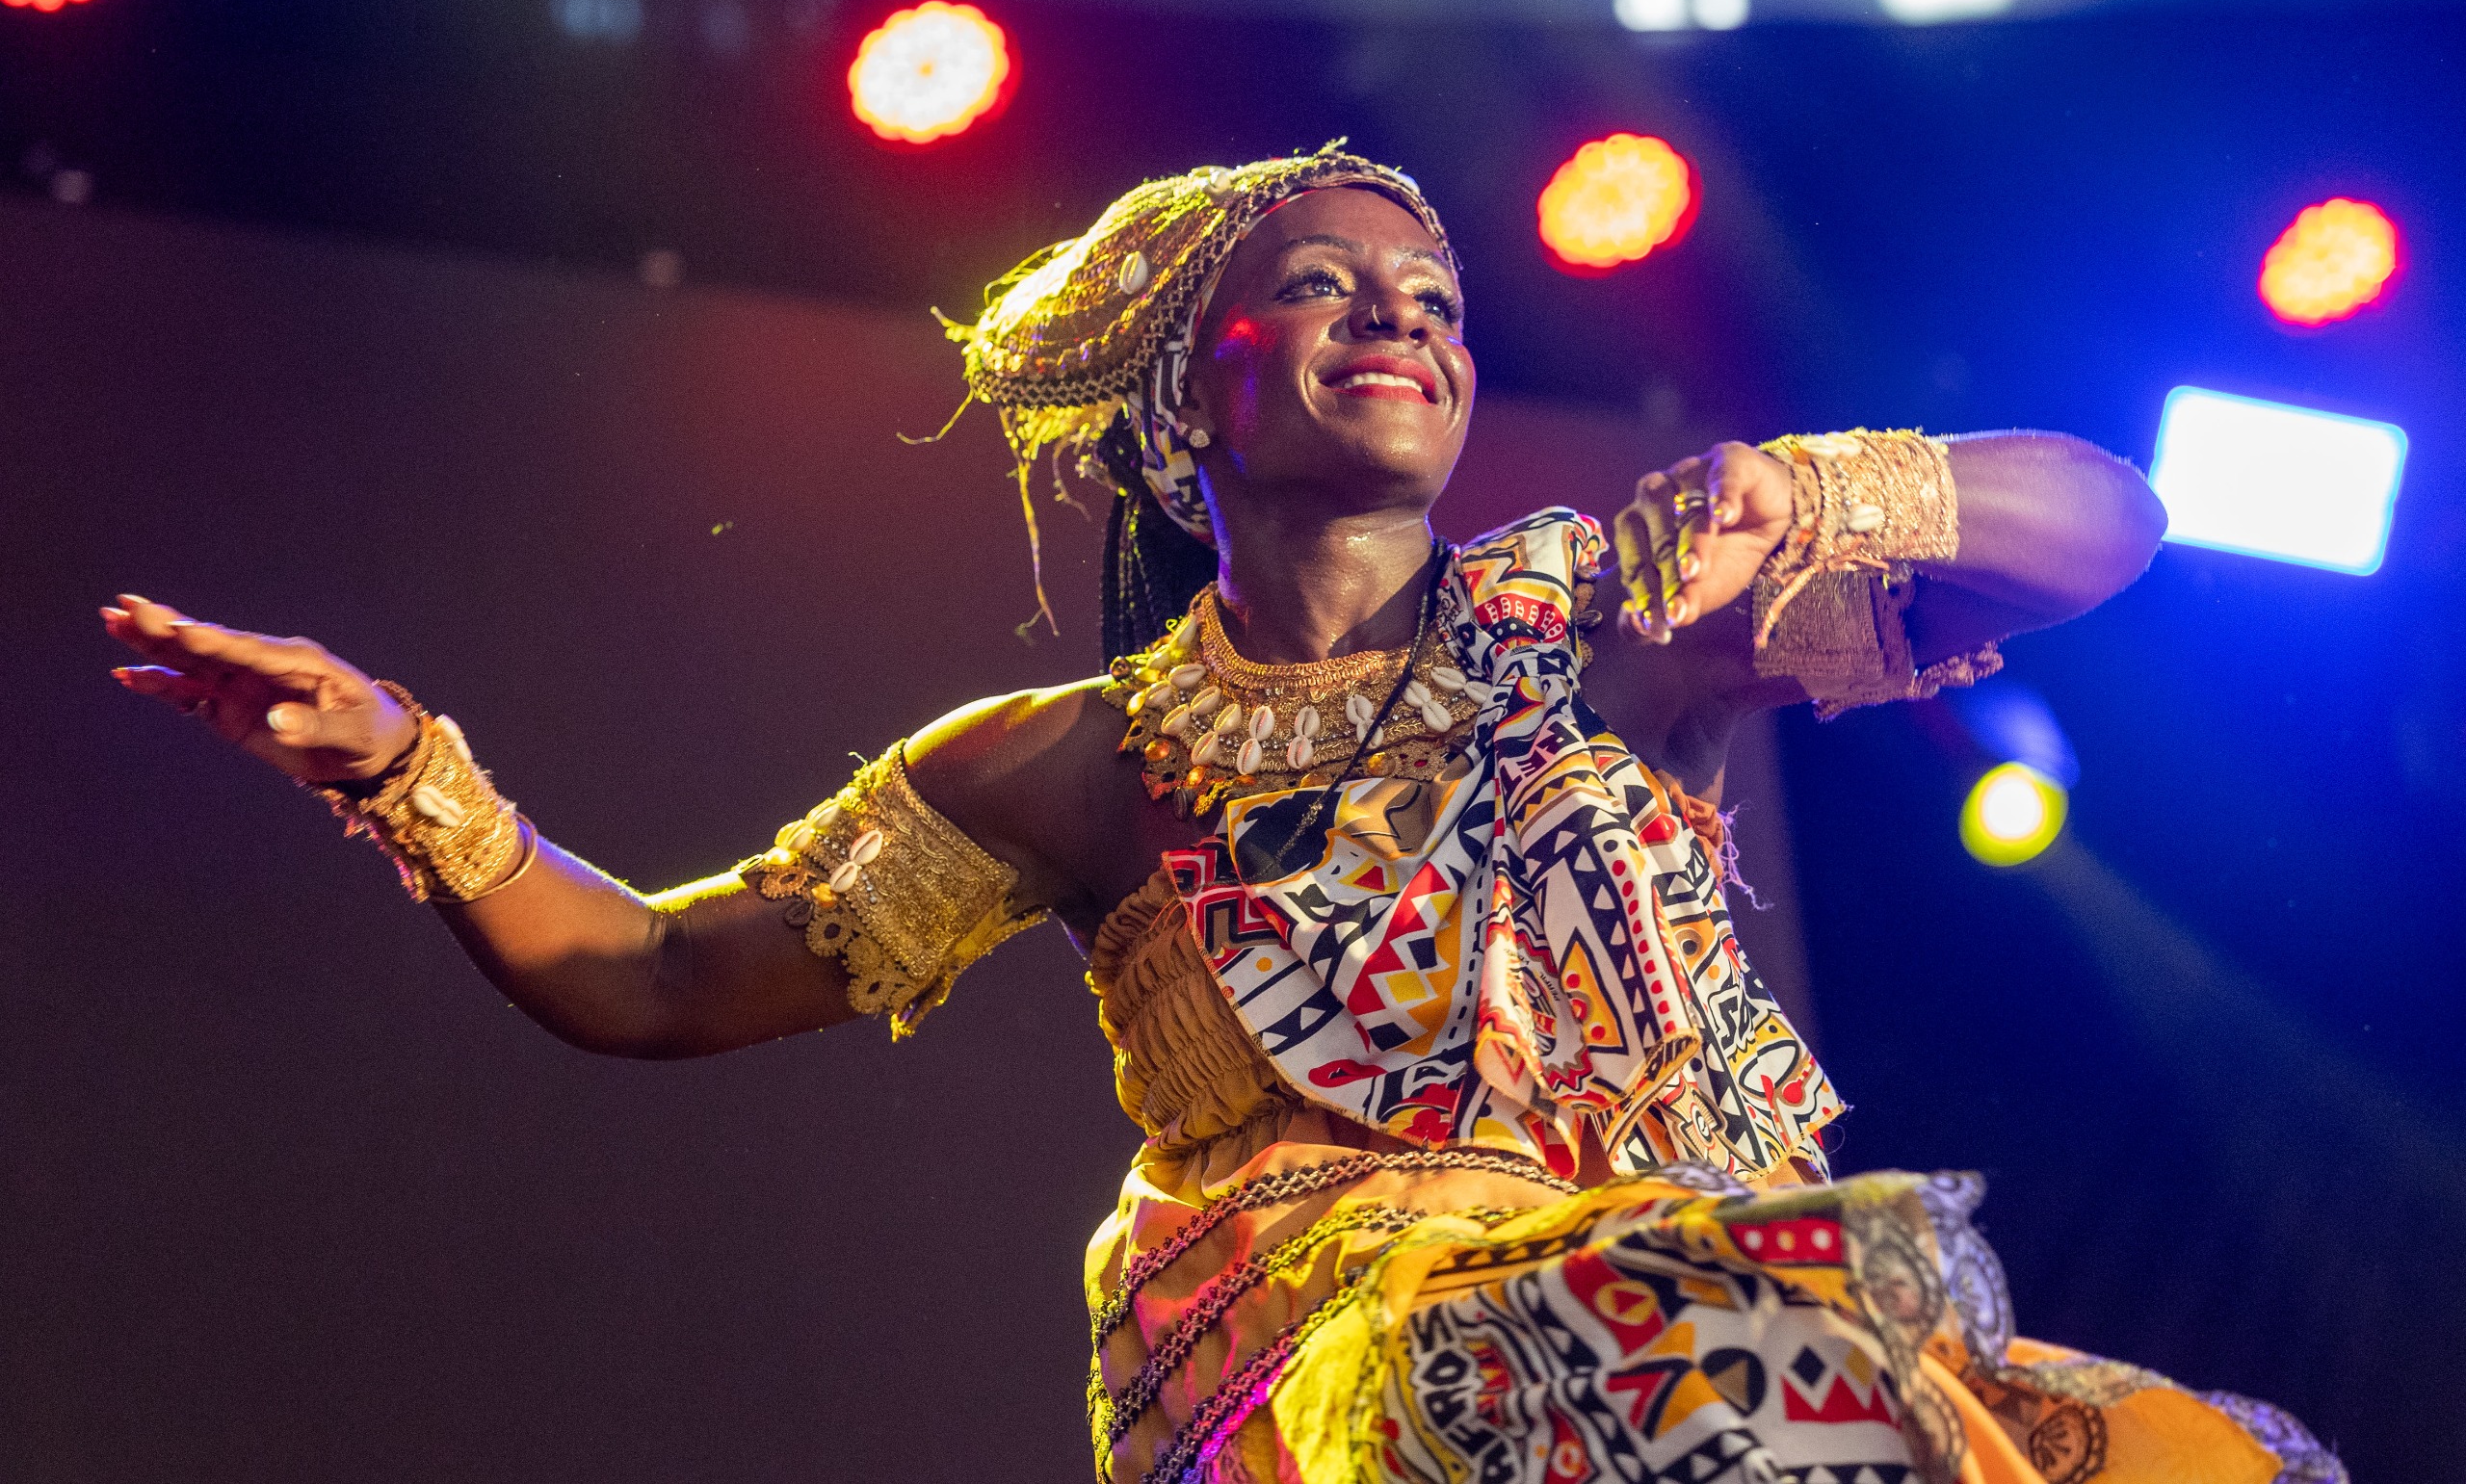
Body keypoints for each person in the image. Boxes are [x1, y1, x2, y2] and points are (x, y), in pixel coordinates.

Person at [103, 146, 2340, 1484]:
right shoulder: (1067, 763)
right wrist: (416, 777)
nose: (1404, 324)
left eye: (1440, 303)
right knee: (1626, 1356)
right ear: (1202, 381)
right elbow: (668, 973)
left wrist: (1824, 478)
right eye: (1327, 289)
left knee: (2184, 1462)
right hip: (1343, 1350)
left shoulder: (1630, 608)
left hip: (1700, 1296)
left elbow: (2106, 519)